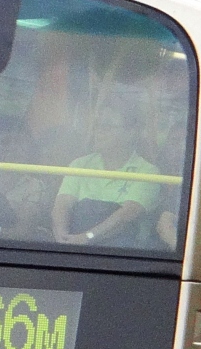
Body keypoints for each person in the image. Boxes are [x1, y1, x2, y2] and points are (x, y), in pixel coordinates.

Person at [52, 100, 162, 246]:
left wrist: (88, 237)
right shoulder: (80, 164)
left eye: (107, 126)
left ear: (130, 133)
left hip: (117, 255)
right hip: (73, 243)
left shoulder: (148, 172)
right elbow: (62, 204)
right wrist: (62, 234)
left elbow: (127, 215)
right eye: (98, 125)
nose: (98, 131)